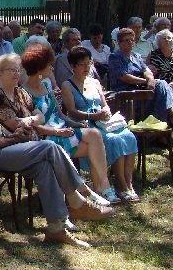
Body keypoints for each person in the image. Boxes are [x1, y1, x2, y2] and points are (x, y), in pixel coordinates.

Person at [0, 46, 114, 249]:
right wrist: (13, 140)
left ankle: (57, 227)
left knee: (44, 166)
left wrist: (14, 135)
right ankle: (79, 198)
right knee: (49, 147)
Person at [22, 44, 119, 204]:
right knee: (92, 148)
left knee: (94, 135)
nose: (52, 68)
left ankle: (102, 187)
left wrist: (75, 124)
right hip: (46, 137)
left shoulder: (46, 85)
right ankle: (86, 193)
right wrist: (57, 132)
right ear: (39, 68)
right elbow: (31, 125)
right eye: (49, 65)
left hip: (62, 129)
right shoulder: (24, 92)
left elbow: (60, 114)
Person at [61, 47, 139, 202]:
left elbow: (104, 104)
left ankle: (128, 183)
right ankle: (120, 184)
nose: (86, 67)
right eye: (82, 64)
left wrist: (106, 111)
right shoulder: (67, 85)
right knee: (112, 140)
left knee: (128, 136)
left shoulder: (95, 82)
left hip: (103, 122)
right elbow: (72, 111)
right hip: (84, 124)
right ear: (73, 66)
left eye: (88, 63)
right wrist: (92, 116)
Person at [108, 27, 173, 126]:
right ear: (119, 43)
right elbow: (124, 77)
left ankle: (171, 116)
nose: (130, 42)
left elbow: (146, 70)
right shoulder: (114, 57)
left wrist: (150, 79)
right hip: (126, 93)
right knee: (160, 87)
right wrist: (145, 81)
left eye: (132, 40)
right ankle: (167, 119)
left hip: (142, 90)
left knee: (161, 84)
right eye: (126, 40)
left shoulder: (136, 56)